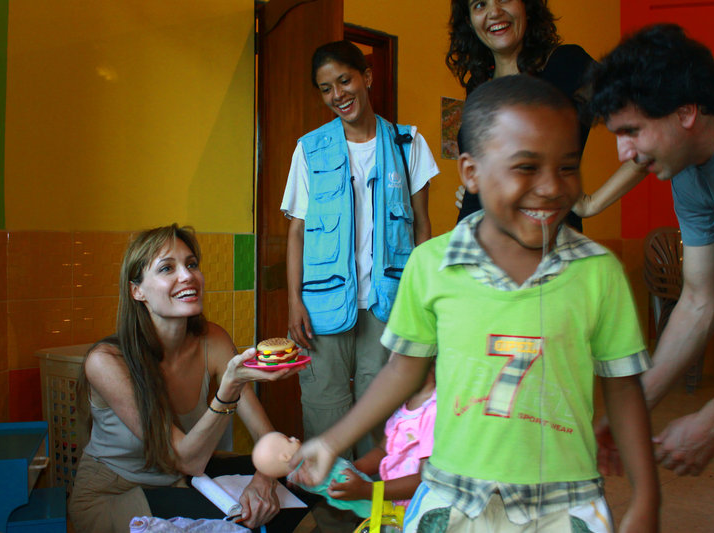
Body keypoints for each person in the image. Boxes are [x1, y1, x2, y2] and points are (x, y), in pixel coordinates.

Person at [290, 75, 659, 532]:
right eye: (526, 167)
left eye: (567, 167)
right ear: (471, 173)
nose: (550, 187)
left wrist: (645, 496)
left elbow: (623, 388)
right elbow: (402, 370)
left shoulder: (598, 271)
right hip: (453, 499)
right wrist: (332, 441)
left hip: (564, 504)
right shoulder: (430, 265)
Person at [68, 224, 307, 532]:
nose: (187, 276)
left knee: (302, 479)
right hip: (117, 493)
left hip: (185, 480)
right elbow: (186, 459)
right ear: (136, 290)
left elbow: (266, 436)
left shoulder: (214, 340)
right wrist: (229, 387)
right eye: (167, 268)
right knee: (244, 524)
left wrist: (264, 480)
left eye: (191, 264)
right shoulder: (107, 362)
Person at [281, 40, 439, 458]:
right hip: (321, 308)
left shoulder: (409, 144)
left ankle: (379, 520)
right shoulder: (308, 149)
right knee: (323, 415)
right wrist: (294, 300)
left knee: (383, 419)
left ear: (366, 77)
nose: (338, 95)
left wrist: (426, 302)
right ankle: (334, 522)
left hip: (390, 304)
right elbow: (296, 231)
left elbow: (423, 227)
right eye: (326, 88)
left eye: (345, 80)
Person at [586, 23, 714, 477]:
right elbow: (700, 299)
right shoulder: (688, 173)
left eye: (632, 131)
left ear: (686, 111)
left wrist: (713, 419)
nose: (625, 153)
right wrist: (632, 412)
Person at [446, 0, 647, 229]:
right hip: (474, 241)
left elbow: (649, 126)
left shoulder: (566, 65)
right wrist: (478, 189)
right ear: (470, 22)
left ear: (526, 6)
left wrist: (593, 204)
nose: (494, 12)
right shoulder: (478, 88)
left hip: (548, 243)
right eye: (480, 4)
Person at [329, 362, 436, 509]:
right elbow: (384, 450)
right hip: (394, 503)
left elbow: (425, 480)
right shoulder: (405, 401)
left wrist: (367, 490)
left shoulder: (434, 412)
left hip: (418, 510)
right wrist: (353, 470)